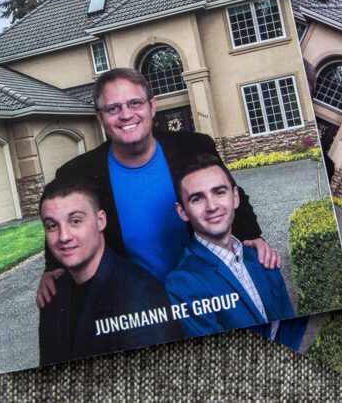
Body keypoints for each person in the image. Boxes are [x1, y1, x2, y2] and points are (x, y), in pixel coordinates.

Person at [36, 68, 278, 308]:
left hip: (208, 295)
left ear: (152, 106)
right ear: (100, 118)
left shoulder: (194, 147)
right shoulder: (77, 172)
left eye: (134, 103)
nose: (126, 115)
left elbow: (233, 195)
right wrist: (53, 269)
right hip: (134, 307)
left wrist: (251, 237)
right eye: (113, 108)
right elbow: (60, 219)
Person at [37, 180, 182, 364]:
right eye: (52, 226)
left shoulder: (141, 296)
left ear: (100, 221)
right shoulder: (52, 294)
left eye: (75, 221)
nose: (64, 236)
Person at [164, 153, 299, 341]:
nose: (212, 206)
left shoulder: (262, 258)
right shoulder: (182, 283)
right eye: (197, 199)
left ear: (235, 197)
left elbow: (291, 328)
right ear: (182, 212)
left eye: (219, 192)